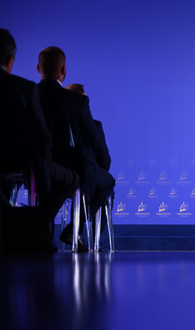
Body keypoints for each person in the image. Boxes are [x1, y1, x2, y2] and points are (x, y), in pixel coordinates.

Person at [0, 29, 80, 251]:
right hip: (22, 163)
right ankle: (33, 228)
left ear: (38, 68)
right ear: (9, 60)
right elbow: (43, 140)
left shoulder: (32, 88)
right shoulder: (24, 88)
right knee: (72, 179)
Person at [36, 46, 115, 249]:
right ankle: (74, 231)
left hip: (33, 164)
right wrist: (102, 165)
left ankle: (70, 232)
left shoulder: (28, 94)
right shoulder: (75, 101)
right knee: (105, 182)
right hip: (72, 168)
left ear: (38, 68)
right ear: (63, 70)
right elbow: (97, 143)